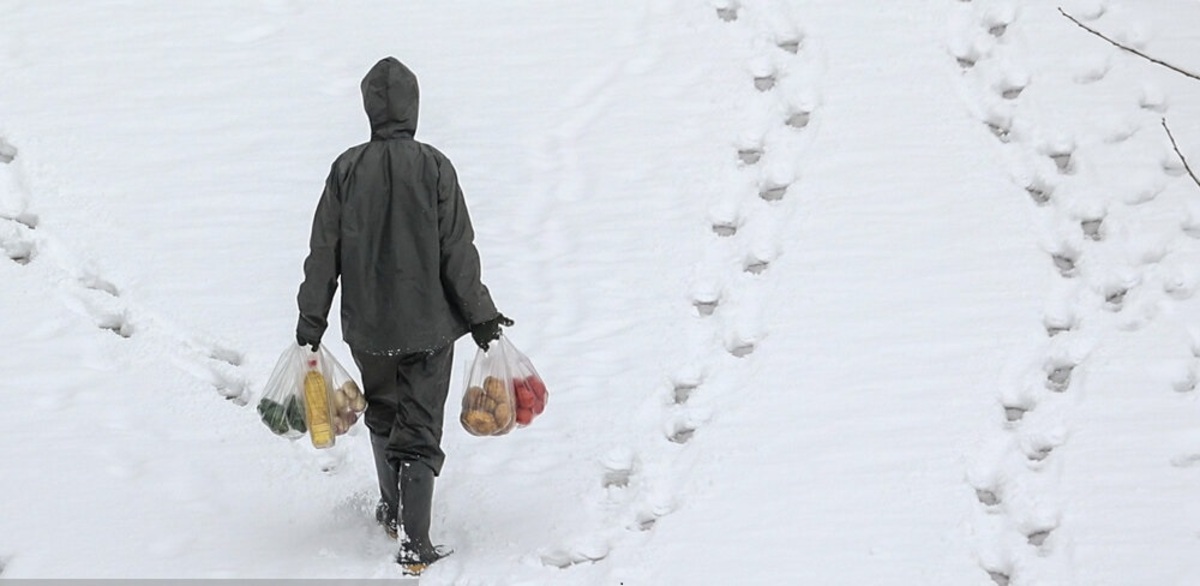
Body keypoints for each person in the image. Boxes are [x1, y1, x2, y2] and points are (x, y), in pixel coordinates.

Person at [295, 56, 512, 574]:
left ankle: (392, 512)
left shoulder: (346, 169)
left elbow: (323, 252)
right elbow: (458, 251)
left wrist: (311, 321)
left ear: (370, 109)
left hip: (368, 330)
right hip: (430, 328)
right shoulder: (435, 166)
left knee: (385, 412)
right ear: (413, 106)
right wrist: (479, 315)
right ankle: (415, 543)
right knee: (419, 427)